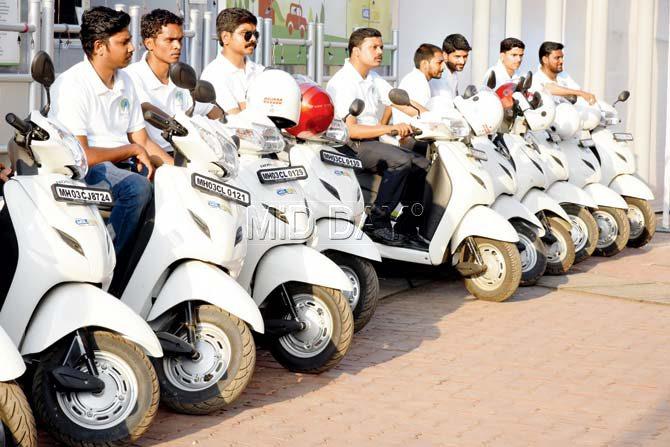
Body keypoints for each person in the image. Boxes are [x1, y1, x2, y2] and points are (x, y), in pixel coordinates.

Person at [49, 6, 166, 254]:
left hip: (123, 165)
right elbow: (82, 156)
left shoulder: (125, 81)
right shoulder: (72, 85)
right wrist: (130, 150)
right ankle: (111, 265)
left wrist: (182, 172)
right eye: (124, 42)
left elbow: (143, 141)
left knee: (172, 186)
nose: (132, 48)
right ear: (100, 47)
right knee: (137, 188)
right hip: (83, 172)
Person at [326, 27, 429, 247]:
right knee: (401, 160)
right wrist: (389, 129)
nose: (380, 51)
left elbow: (401, 102)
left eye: (381, 46)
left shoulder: (372, 78)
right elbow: (350, 130)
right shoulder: (343, 82)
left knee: (422, 164)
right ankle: (377, 222)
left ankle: (407, 226)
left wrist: (433, 118)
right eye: (374, 47)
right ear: (356, 52)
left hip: (372, 143)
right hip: (350, 147)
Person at [124, 9, 222, 154]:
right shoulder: (132, 76)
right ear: (149, 43)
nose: (177, 46)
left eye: (180, 39)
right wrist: (179, 127)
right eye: (169, 40)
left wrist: (231, 126)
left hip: (188, 153)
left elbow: (209, 109)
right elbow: (147, 109)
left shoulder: (182, 75)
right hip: (154, 157)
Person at [200, 8, 264, 115]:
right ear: (225, 37)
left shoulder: (261, 71)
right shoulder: (214, 74)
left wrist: (244, 106)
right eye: (246, 34)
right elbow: (235, 119)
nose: (253, 39)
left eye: (255, 34)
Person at [392, 43, 444, 124]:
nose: (443, 67)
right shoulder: (418, 83)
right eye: (439, 62)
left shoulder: (415, 78)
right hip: (410, 134)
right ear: (424, 64)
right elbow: (421, 118)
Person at [531, 41, 597, 105]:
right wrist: (580, 93)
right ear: (545, 60)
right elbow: (548, 88)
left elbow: (578, 93)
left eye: (562, 57)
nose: (561, 61)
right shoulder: (536, 79)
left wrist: (579, 94)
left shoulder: (563, 75)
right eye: (557, 58)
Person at [430, 34, 471, 100]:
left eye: (465, 56)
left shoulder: (453, 73)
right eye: (457, 57)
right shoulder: (438, 77)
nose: (462, 62)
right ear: (445, 56)